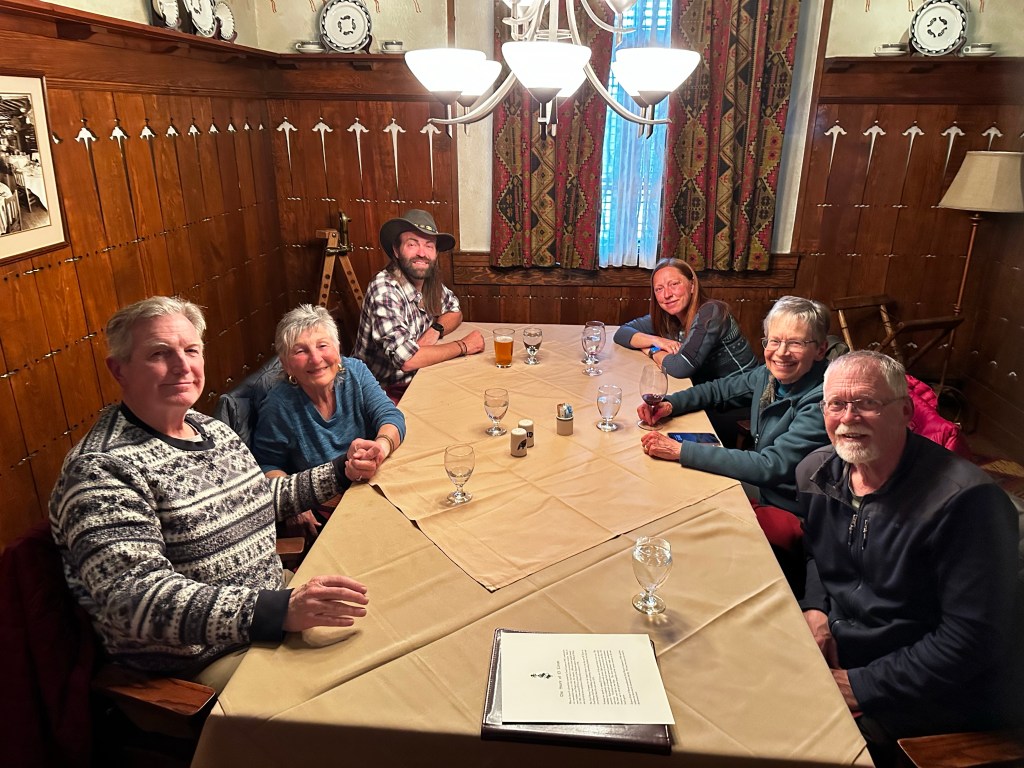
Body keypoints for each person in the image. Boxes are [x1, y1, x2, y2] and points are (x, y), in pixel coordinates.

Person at [49, 296, 369, 689]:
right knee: (358, 685)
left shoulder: (210, 429)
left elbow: (258, 501)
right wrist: (277, 610)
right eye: (159, 353)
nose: (182, 366)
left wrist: (341, 469)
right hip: (203, 660)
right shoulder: (101, 469)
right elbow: (134, 599)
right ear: (119, 370)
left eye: (191, 350)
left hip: (273, 610)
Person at [796, 350, 1019, 767]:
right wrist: (815, 608)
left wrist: (861, 686)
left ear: (905, 411)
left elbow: (971, 641)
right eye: (836, 404)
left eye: (867, 403)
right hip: (848, 650)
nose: (848, 418)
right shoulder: (815, 472)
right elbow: (816, 552)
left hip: (930, 688)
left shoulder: (966, 503)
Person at [639, 295, 831, 515]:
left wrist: (680, 450)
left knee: (683, 502)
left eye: (796, 343)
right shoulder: (769, 375)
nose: (781, 352)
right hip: (765, 487)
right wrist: (670, 404)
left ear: (820, 350)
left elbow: (770, 466)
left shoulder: (824, 402)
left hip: (789, 509)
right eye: (774, 341)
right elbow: (719, 390)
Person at [253, 304, 406, 531]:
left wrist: (380, 449)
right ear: (286, 365)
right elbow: (267, 464)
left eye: (322, 345)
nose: (316, 359)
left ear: (337, 348)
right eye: (301, 351)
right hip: (330, 508)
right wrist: (293, 505)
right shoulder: (278, 405)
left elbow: (390, 416)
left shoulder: (356, 372)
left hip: (374, 482)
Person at [353, 209, 484, 401]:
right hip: (381, 393)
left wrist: (435, 330)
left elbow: (454, 311)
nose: (422, 253)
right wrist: (464, 346)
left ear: (436, 253)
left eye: (429, 246)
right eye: (412, 244)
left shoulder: (428, 281)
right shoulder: (384, 289)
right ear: (396, 250)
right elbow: (407, 360)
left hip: (421, 378)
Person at [613, 258, 756, 384]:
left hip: (740, 393)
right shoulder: (668, 317)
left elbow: (681, 368)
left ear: (692, 285)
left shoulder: (711, 312)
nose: (667, 294)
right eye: (659, 289)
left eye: (674, 284)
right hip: (706, 390)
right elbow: (622, 333)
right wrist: (657, 341)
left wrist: (651, 350)